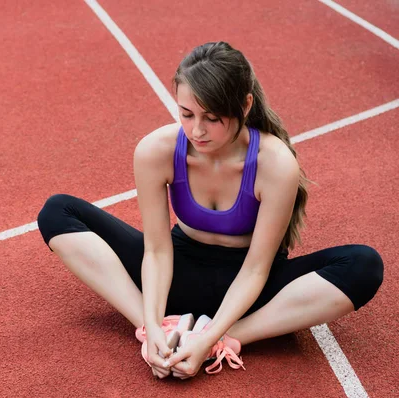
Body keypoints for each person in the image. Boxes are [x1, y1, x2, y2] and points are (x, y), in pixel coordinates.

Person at [36, 41, 384, 380]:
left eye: (212, 118)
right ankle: (152, 327)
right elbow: (157, 251)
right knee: (58, 211)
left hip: (250, 290)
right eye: (186, 114)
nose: (197, 130)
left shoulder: (274, 163)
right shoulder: (156, 151)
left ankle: (229, 336)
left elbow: (255, 269)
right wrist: (152, 325)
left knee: (363, 265)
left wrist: (208, 339)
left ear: (245, 105)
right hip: (178, 272)